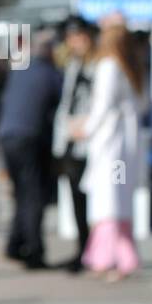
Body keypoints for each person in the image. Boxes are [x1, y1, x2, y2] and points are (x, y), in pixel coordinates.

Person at [71, 22, 144, 281]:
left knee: (107, 204)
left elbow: (101, 106)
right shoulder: (131, 68)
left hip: (109, 143)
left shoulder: (108, 66)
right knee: (119, 203)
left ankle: (107, 258)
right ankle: (123, 257)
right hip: (125, 143)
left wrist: (84, 128)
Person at [0, 30, 63, 269]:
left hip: (8, 137)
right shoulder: (50, 74)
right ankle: (33, 251)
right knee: (33, 196)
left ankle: (15, 244)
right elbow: (60, 106)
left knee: (21, 193)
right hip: (30, 139)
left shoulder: (20, 70)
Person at [51, 17, 98, 271]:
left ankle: (92, 250)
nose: (73, 42)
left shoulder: (99, 66)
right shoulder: (72, 65)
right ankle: (82, 249)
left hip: (88, 141)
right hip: (69, 140)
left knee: (91, 199)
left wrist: (86, 126)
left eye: (78, 37)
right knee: (76, 199)